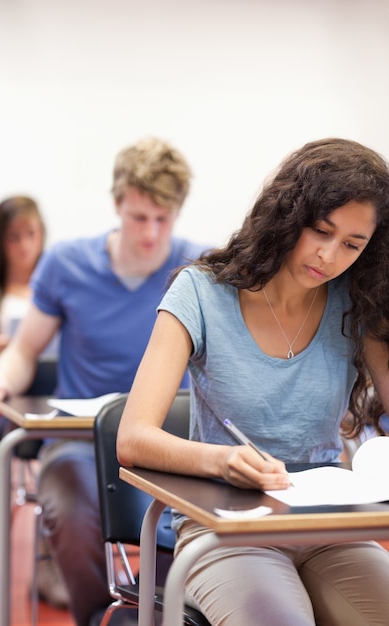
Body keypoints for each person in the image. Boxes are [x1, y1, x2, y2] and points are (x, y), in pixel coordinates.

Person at [117, 137, 389, 626]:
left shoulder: (358, 300)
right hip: (225, 528)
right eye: (321, 231)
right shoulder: (201, 291)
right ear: (288, 215)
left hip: (331, 524)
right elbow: (133, 438)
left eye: (353, 244)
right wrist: (222, 461)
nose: (329, 256)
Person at [0, 136, 208, 625]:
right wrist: (0, 383)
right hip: (80, 442)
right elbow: (24, 349)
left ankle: (158, 612)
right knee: (70, 502)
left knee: (183, 527)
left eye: (163, 219)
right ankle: (98, 617)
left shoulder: (198, 267)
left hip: (170, 445)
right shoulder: (68, 264)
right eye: (139, 217)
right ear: (118, 203)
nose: (151, 232)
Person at [0, 196, 46, 449]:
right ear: (0, 240)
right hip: (1, 393)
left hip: (47, 390)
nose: (24, 245)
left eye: (30, 234)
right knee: (3, 423)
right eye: (14, 237)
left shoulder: (53, 292)